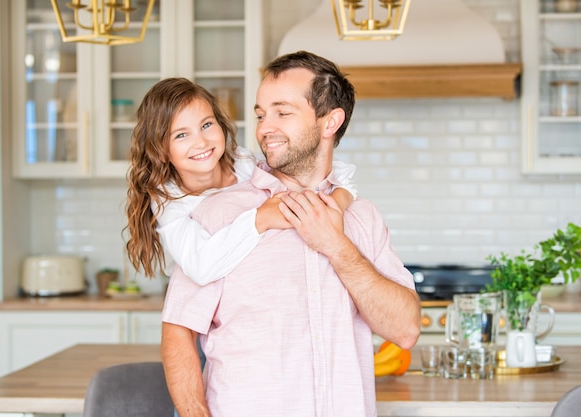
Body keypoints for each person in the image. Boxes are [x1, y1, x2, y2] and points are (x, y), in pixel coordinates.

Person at [161, 51, 421, 417]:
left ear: (330, 122)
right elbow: (178, 332)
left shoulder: (361, 217)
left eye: (282, 113)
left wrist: (336, 246)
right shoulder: (219, 212)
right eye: (261, 114)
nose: (265, 127)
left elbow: (405, 330)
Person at [124, 77, 356, 285]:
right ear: (161, 150)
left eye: (206, 125)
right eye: (181, 135)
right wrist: (260, 218)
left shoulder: (244, 163)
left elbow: (329, 171)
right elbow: (201, 268)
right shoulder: (168, 198)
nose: (201, 142)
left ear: (221, 125)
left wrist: (338, 200)